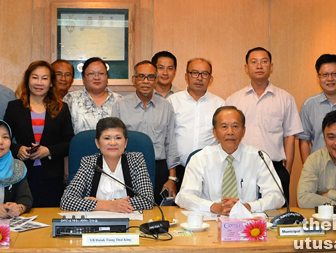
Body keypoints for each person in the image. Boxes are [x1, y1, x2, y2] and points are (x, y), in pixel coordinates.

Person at [225, 47, 302, 203]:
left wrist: (287, 171)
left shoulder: (285, 99)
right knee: (241, 212)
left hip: (274, 168)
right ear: (246, 68)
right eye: (254, 62)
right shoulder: (234, 100)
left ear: (271, 67)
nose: (259, 66)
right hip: (241, 167)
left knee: (277, 215)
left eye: (264, 61)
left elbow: (289, 136)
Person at [176, 106, 285, 214]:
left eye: (235, 126)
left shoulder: (259, 157)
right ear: (214, 132)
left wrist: (247, 207)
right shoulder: (200, 158)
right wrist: (213, 207)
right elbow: (184, 197)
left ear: (243, 131)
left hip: (247, 221)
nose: (230, 132)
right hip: (210, 220)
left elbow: (277, 197)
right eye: (224, 127)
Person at [3, 61, 74, 207]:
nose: (39, 82)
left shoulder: (61, 108)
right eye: (35, 77)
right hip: (21, 173)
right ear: (28, 80)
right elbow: (3, 139)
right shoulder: (14, 107)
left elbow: (69, 142)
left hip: (52, 174)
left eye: (44, 78)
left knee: (49, 215)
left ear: (51, 83)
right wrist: (18, 149)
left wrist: (48, 151)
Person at [112, 60, 178, 203]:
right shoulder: (120, 105)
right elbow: (114, 143)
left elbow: (170, 142)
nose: (146, 81)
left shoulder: (166, 106)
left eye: (150, 77)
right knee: (129, 209)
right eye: (141, 77)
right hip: (128, 167)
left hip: (158, 168)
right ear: (134, 80)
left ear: (155, 80)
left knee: (157, 211)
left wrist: (172, 178)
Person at [60, 117, 153, 212]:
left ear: (125, 142)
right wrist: (108, 205)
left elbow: (148, 200)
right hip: (97, 224)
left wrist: (108, 204)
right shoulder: (89, 163)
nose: (113, 143)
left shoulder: (136, 160)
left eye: (118, 138)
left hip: (130, 222)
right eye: (107, 138)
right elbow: (66, 200)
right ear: (97, 143)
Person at [168, 58, 224, 190]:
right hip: (179, 171)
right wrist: (172, 176)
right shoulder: (172, 101)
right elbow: (168, 139)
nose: (199, 78)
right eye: (195, 73)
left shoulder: (220, 104)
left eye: (204, 74)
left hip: (210, 170)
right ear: (186, 76)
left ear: (210, 79)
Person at [64, 57, 121, 134]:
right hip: (80, 145)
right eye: (91, 73)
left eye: (101, 73)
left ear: (107, 76)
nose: (96, 77)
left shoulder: (120, 100)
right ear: (83, 77)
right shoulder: (70, 99)